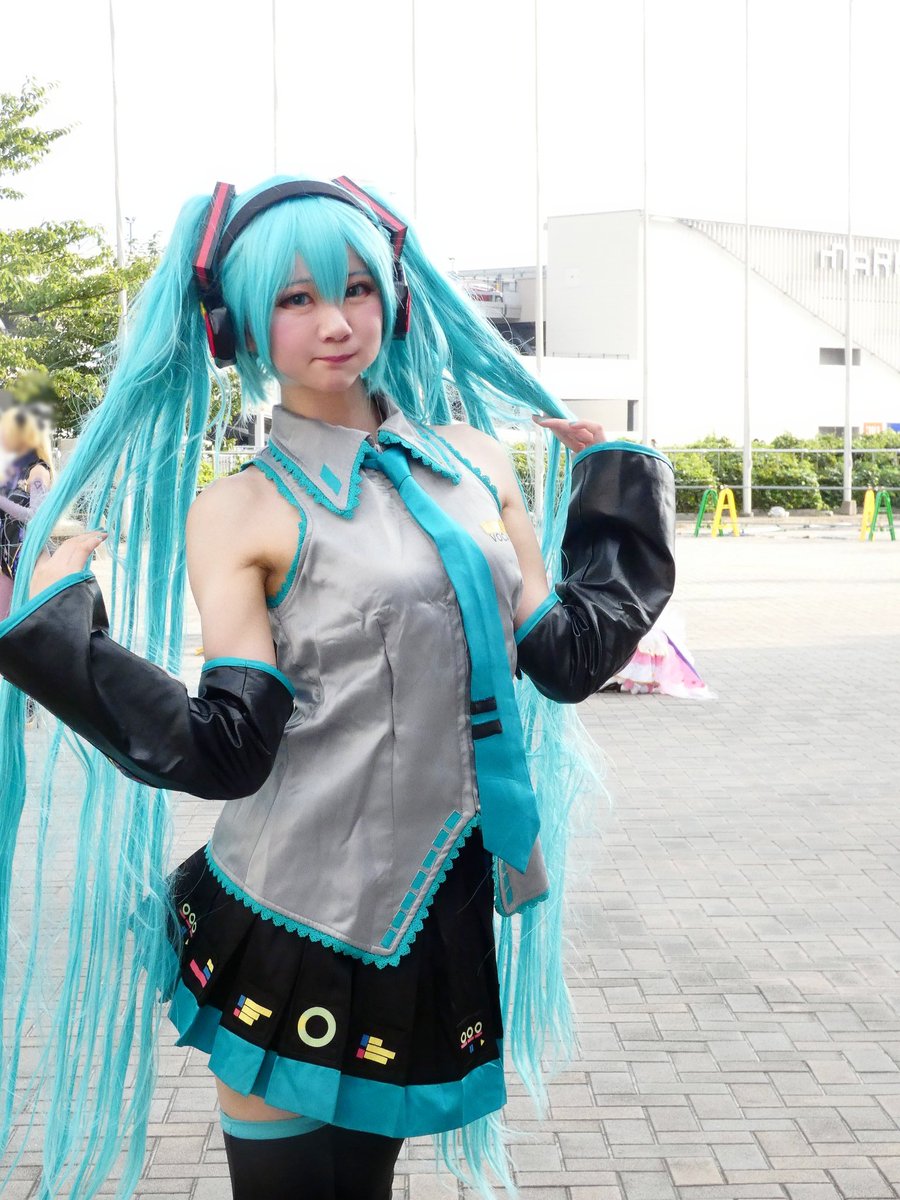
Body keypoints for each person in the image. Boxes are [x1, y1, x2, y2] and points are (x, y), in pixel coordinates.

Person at [0, 176, 675, 1199]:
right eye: (295, 299)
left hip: (438, 903)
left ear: (392, 297)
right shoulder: (241, 509)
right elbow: (224, 746)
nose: (335, 323)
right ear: (239, 326)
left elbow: (563, 655)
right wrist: (59, 633)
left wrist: (619, 484)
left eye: (356, 288)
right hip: (292, 912)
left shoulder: (478, 463)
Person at [0, 404, 53, 620]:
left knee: (22, 624)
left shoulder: (38, 470)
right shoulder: (13, 473)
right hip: (6, 559)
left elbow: (34, 515)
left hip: (25, 559)